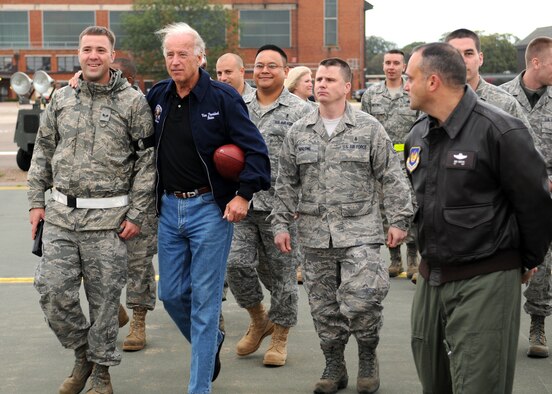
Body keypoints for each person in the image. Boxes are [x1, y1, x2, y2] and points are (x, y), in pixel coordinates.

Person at [404, 42, 552, 394]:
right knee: (434, 382)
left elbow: (535, 203)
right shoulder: (417, 134)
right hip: (431, 276)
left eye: (411, 78)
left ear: (434, 81)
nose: (405, 85)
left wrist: (525, 260)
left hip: (485, 276)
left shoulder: (500, 130)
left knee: (479, 382)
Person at [272, 57, 413, 394]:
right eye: (318, 79)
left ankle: (367, 356)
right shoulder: (299, 132)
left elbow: (392, 177)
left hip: (361, 232)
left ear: (347, 87)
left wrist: (399, 219)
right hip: (315, 235)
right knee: (324, 309)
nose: (321, 84)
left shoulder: (369, 128)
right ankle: (334, 366)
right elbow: (285, 184)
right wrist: (279, 223)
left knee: (363, 300)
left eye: (330, 80)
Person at [28, 26, 156, 394]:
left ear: (112, 56)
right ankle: (83, 353)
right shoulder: (60, 98)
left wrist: (137, 216)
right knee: (52, 291)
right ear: (78, 54)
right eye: (87, 49)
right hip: (61, 218)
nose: (94, 55)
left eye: (101, 49)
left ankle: (101, 372)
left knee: (103, 303)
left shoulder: (133, 103)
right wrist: (36, 202)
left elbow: (147, 164)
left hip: (109, 221)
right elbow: (43, 150)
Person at [146, 22, 270, 394]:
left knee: (204, 303)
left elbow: (256, 153)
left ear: (200, 57)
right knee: (170, 296)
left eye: (183, 53)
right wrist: (75, 82)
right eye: (170, 53)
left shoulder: (222, 98)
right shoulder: (157, 96)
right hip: (169, 209)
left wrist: (242, 195)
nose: (175, 60)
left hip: (209, 211)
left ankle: (199, 388)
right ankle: (211, 340)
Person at [225, 44, 311, 367]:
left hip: (283, 208)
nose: (264, 71)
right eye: (259, 65)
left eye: (272, 66)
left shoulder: (301, 111)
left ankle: (280, 337)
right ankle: (259, 318)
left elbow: (307, 162)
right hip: (243, 202)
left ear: (286, 72)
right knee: (235, 264)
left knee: (283, 276)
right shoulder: (237, 105)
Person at [501, 36, 552, 359]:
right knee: (501, 260)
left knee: (544, 263)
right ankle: (499, 326)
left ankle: (537, 322)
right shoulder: (501, 98)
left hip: (546, 196)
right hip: (507, 195)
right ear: (535, 62)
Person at [111, 57, 158, 352]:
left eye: (116, 74)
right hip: (103, 199)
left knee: (138, 263)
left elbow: (147, 158)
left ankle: (138, 321)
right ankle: (115, 310)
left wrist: (140, 206)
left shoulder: (142, 105)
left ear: (129, 77)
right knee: (94, 261)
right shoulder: (91, 100)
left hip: (138, 197)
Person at [360, 49, 420, 280]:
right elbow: (363, 127)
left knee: (411, 208)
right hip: (381, 161)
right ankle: (395, 259)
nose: (391, 66)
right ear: (383, 66)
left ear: (404, 66)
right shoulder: (371, 95)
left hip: (409, 160)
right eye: (387, 62)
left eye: (396, 63)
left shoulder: (412, 91)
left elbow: (422, 126)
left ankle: (413, 260)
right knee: (385, 211)